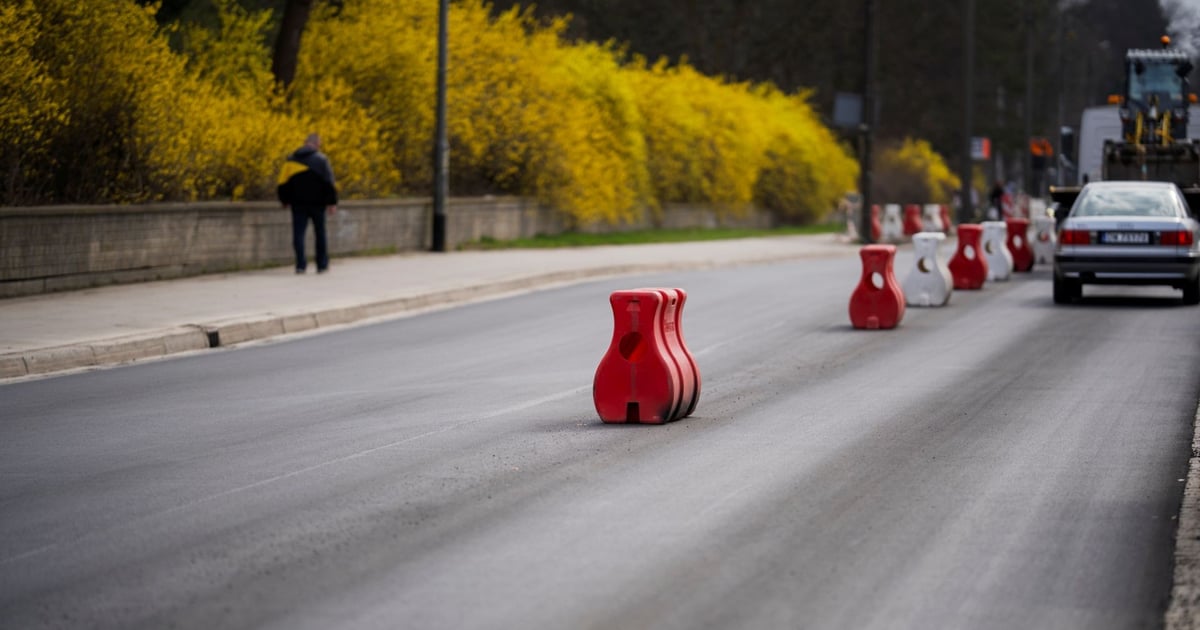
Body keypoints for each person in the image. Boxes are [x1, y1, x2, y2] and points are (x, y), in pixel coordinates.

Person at [278, 133, 338, 273]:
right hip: (318, 204)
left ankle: (300, 265)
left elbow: (282, 183)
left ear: (305, 142)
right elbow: (329, 183)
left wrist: (284, 200)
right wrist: (332, 203)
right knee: (320, 233)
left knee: (298, 234)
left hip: (298, 203)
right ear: (317, 144)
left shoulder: (291, 160)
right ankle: (321, 265)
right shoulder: (322, 159)